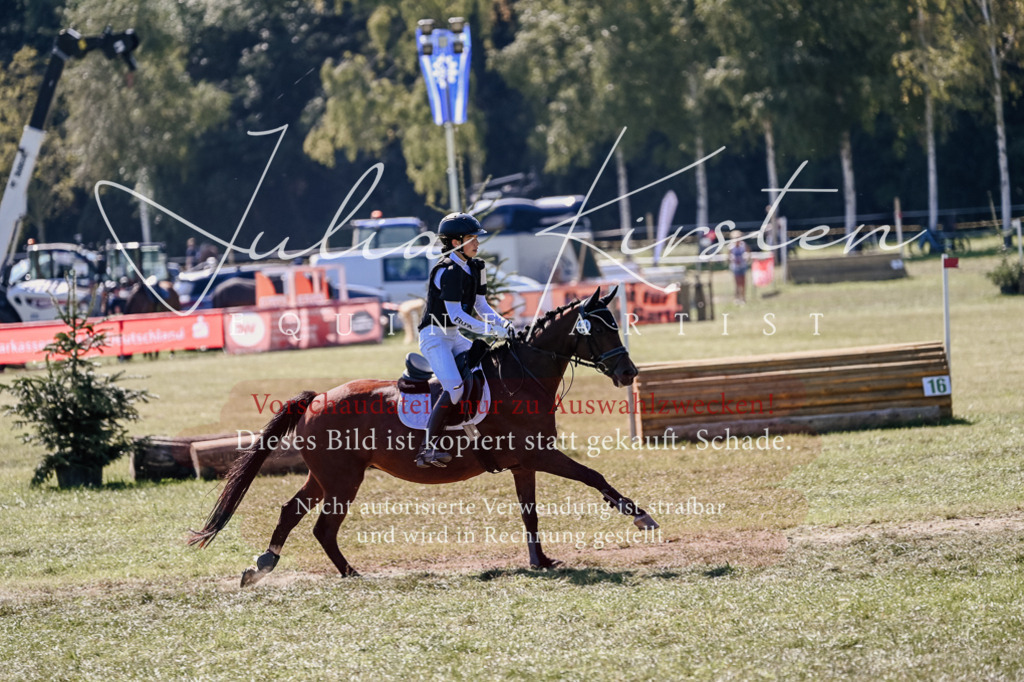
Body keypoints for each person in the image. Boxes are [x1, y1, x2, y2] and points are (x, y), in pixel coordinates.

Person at [415, 213, 515, 468]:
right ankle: (428, 448)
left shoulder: (475, 267)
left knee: (486, 371)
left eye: (476, 238)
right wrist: (490, 331)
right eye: (471, 238)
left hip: (454, 336)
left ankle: (480, 431)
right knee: (455, 388)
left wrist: (501, 323)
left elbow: (481, 304)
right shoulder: (447, 271)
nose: (477, 243)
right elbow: (456, 315)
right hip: (434, 337)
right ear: (454, 241)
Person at [728, 229, 750, 304]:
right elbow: (728, 256)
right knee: (737, 283)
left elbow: (748, 253)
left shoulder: (743, 245)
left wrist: (746, 258)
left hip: (742, 266)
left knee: (743, 282)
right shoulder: (731, 247)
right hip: (735, 267)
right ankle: (737, 298)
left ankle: (743, 297)